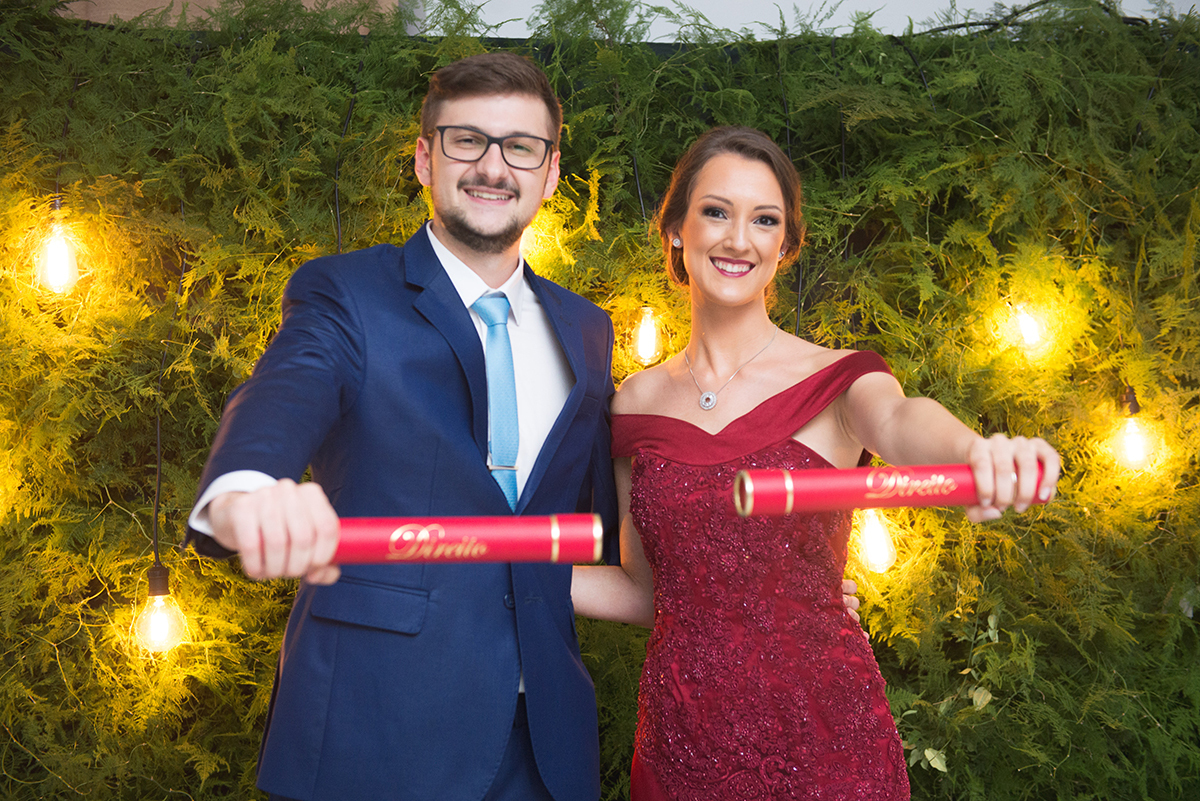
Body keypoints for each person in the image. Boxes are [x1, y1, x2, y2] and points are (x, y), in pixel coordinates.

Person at [570, 127, 1061, 800]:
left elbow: (899, 420)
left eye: (764, 219)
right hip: (681, 751)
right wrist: (507, 570)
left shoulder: (839, 379)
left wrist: (975, 452)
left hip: (828, 751)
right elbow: (649, 592)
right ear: (677, 230)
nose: (739, 238)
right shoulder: (633, 403)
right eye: (716, 211)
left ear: (784, 246)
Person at [183, 52, 621, 801]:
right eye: (466, 140)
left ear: (549, 174)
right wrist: (246, 489)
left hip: (545, 745)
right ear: (424, 158)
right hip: (376, 730)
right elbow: (283, 395)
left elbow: (603, 540)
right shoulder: (343, 295)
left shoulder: (587, 329)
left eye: (521, 146)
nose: (494, 165)